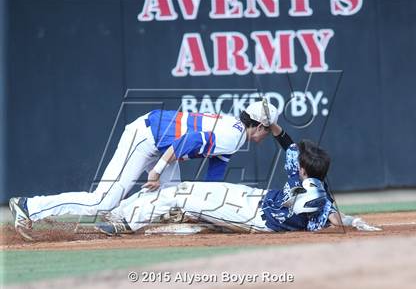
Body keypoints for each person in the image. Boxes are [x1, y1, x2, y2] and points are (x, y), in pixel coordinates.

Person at [9, 100, 279, 240]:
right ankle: (30, 206)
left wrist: (210, 210)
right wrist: (157, 170)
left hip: (160, 144)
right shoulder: (233, 136)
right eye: (267, 130)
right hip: (146, 137)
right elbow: (189, 141)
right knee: (102, 199)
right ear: (260, 126)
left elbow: (213, 180)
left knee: (168, 195)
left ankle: (119, 219)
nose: (266, 135)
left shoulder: (235, 133)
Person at [95, 123, 381, 235]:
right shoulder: (313, 182)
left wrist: (348, 221)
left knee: (185, 195)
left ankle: (124, 220)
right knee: (187, 192)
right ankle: (122, 213)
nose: (297, 158)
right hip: (255, 198)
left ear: (305, 169)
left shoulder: (315, 194)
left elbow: (327, 215)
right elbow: (290, 146)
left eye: (301, 160)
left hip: (255, 217)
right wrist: (354, 222)